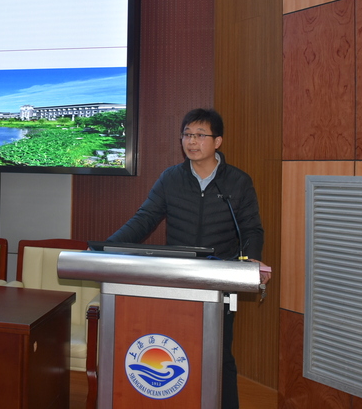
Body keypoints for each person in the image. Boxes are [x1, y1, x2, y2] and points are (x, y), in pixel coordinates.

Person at [106, 108, 271, 409]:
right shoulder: (171, 178)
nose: (191, 142)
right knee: (176, 348)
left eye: (200, 135)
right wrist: (108, 247)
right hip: (177, 279)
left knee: (219, 355)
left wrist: (252, 260)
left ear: (217, 141)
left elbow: (251, 229)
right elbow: (145, 219)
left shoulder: (237, 182)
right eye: (187, 135)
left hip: (219, 282)